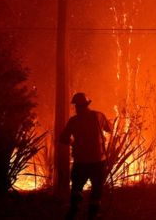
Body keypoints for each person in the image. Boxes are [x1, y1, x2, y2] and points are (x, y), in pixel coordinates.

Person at [60, 92, 112, 220]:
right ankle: (92, 214)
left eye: (76, 106)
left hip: (81, 162)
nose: (76, 109)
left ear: (76, 106)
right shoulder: (98, 116)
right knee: (97, 190)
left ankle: (74, 208)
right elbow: (109, 129)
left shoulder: (73, 121)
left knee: (77, 187)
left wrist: (73, 142)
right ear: (87, 104)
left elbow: (63, 138)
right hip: (98, 161)